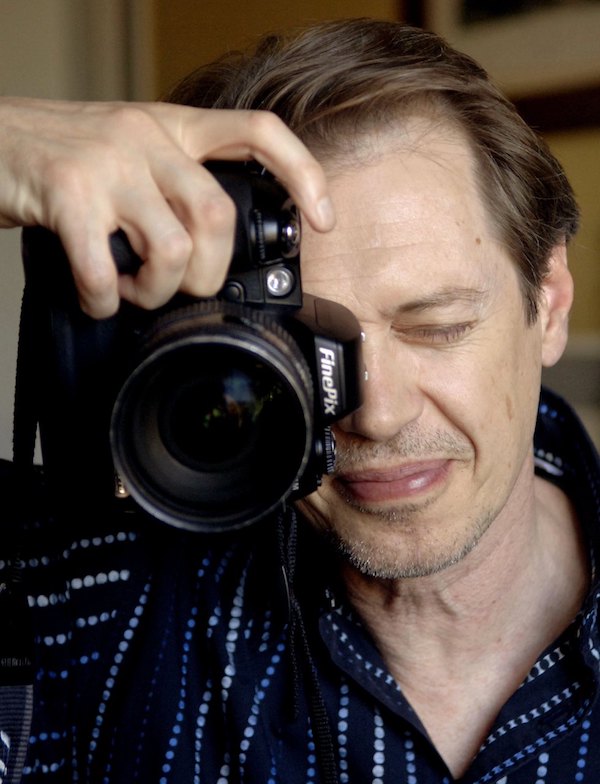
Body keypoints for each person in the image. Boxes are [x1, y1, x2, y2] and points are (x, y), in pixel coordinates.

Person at [2, 17, 599, 784]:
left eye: (437, 327)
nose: (376, 414)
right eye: (303, 347)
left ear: (550, 302)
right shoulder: (93, 597)